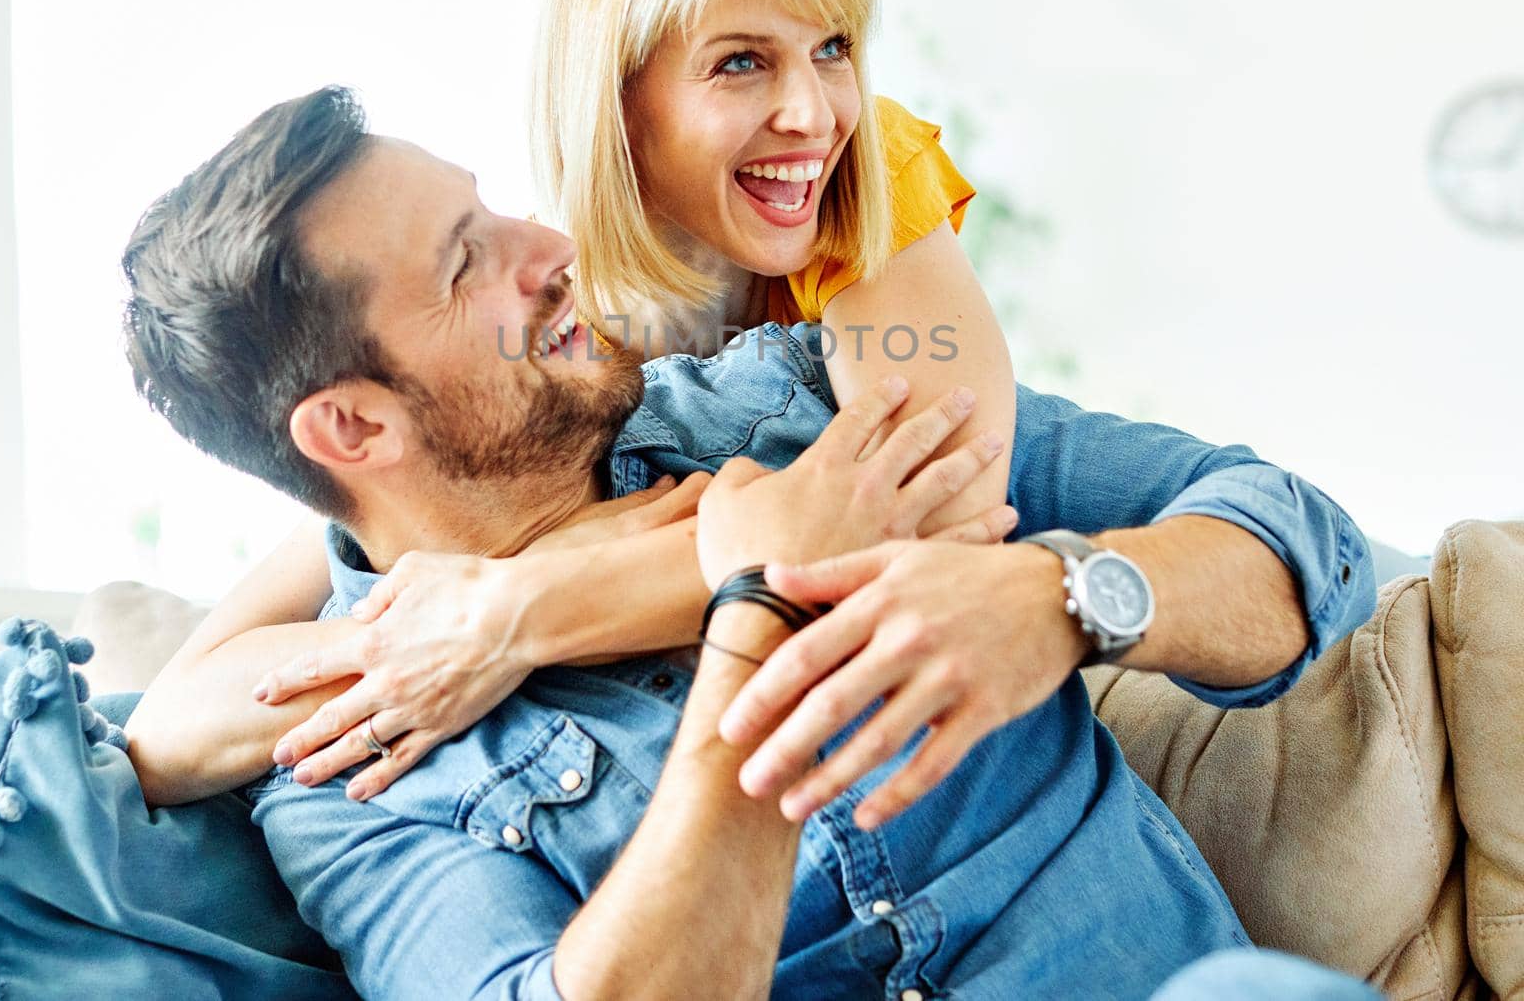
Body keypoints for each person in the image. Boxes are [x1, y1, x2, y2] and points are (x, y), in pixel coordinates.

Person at [119, 89, 1377, 999]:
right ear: (351, 424)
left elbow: (1291, 535)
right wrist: (757, 607)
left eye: (498, 212)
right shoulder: (355, 773)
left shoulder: (789, 407)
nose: (551, 253)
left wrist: (1059, 597)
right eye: (469, 264)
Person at [126, 0, 1016, 807]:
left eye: (833, 46)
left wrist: (518, 610)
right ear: (619, 101)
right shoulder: (540, 324)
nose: (814, 113)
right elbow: (168, 726)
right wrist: (431, 637)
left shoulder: (861, 173)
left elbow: (938, 521)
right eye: (742, 62)